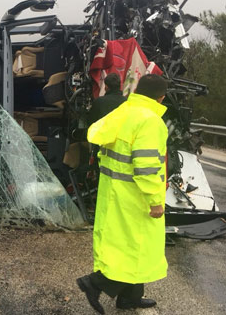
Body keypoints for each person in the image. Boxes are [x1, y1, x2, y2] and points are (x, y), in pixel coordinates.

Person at [77, 74, 169, 314]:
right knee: (135, 249)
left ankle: (130, 297)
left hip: (114, 192)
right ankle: (94, 284)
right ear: (161, 98)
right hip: (135, 196)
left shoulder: (125, 110)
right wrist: (155, 201)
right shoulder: (150, 121)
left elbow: (95, 133)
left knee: (128, 246)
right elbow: (147, 166)